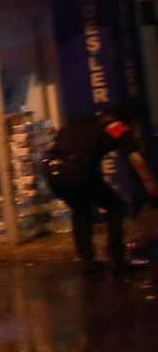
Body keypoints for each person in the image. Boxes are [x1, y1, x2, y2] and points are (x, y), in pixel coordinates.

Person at [46, 109, 158, 272]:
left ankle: (87, 260)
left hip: (52, 170)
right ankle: (117, 259)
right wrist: (153, 193)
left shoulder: (82, 119)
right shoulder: (117, 127)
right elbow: (136, 161)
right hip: (75, 170)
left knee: (81, 208)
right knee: (115, 206)